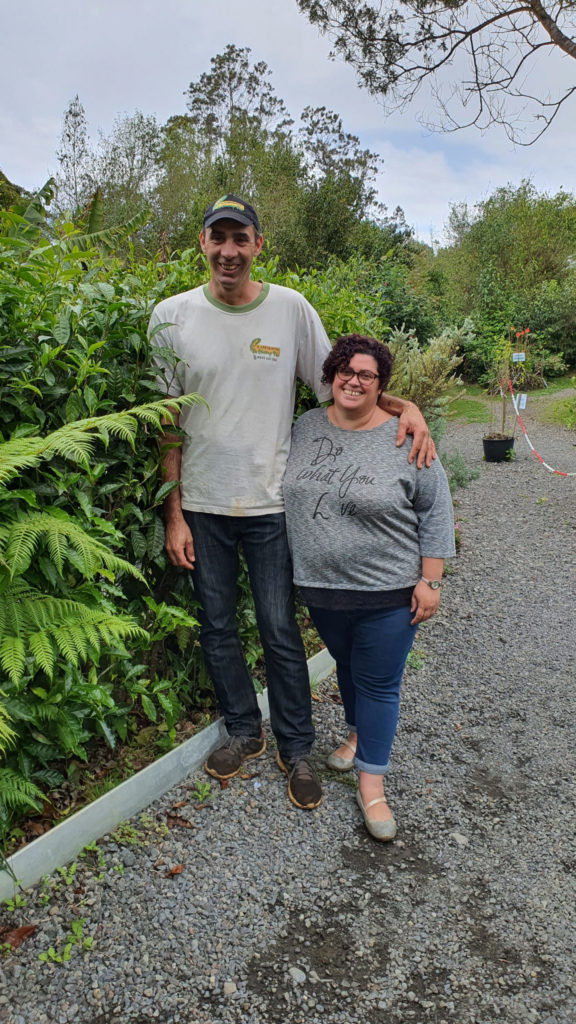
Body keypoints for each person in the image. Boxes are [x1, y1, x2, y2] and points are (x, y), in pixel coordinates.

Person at [148, 194, 435, 812]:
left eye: (240, 238)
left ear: (257, 244)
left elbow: (339, 386)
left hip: (276, 507)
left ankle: (296, 747)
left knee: (280, 629)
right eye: (217, 237)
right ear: (202, 243)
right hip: (201, 503)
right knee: (217, 626)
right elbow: (165, 422)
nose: (229, 250)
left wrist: (404, 407)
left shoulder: (290, 310)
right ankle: (242, 731)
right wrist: (172, 513)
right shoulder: (169, 317)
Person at [283, 334, 455, 838]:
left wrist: (430, 580)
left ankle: (372, 786)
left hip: (389, 591)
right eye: (346, 370)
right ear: (331, 374)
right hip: (320, 587)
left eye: (367, 375)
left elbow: (435, 509)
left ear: (382, 386)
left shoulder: (406, 434)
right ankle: (356, 734)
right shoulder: (306, 425)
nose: (353, 380)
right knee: (348, 664)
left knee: (379, 682)